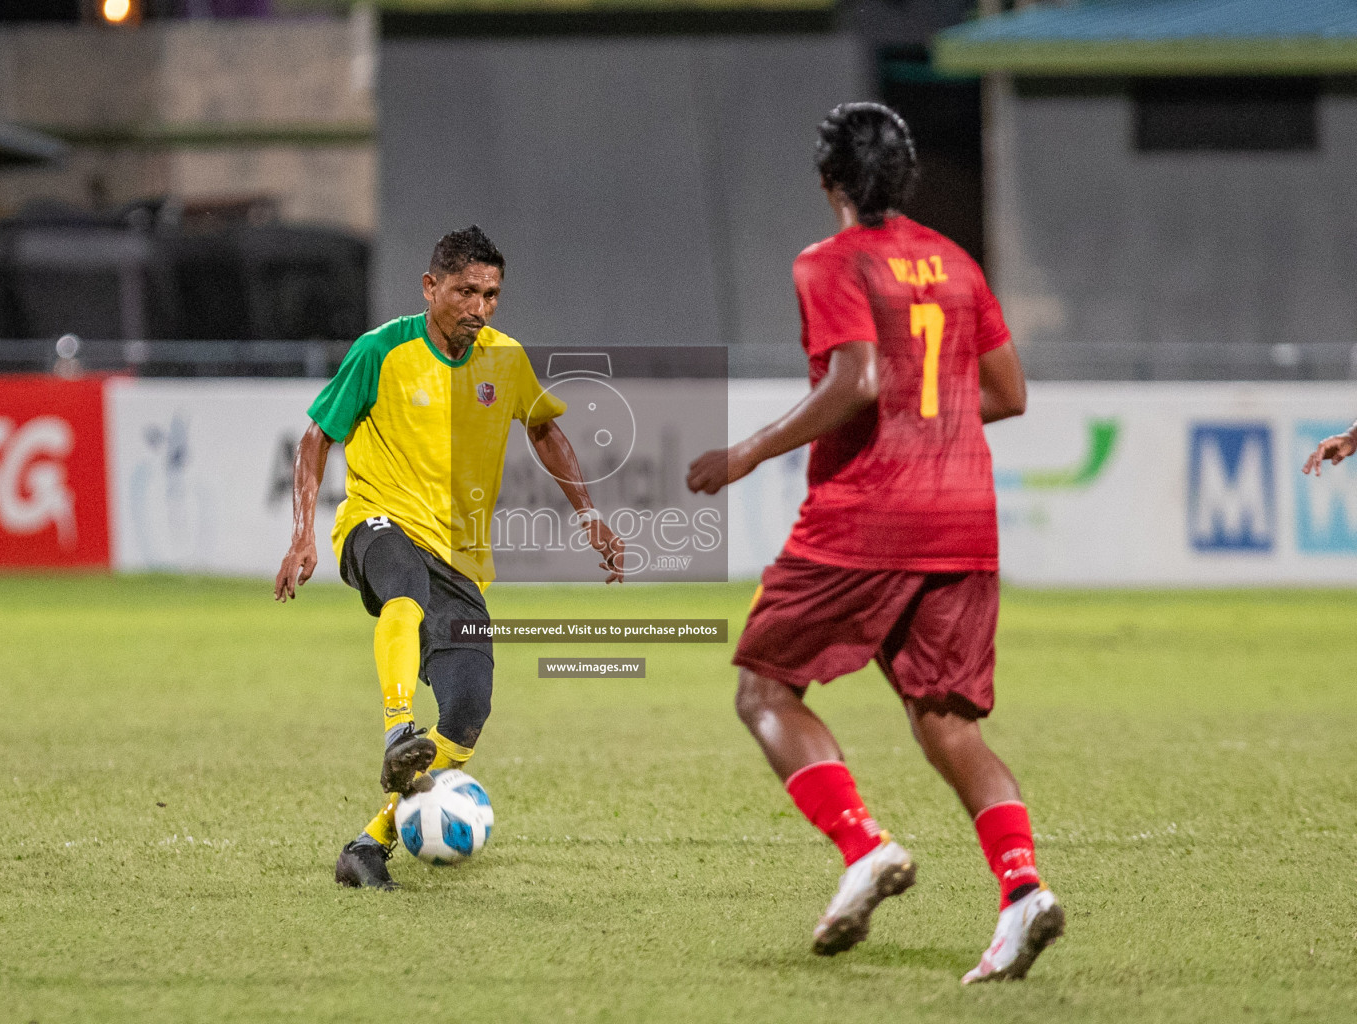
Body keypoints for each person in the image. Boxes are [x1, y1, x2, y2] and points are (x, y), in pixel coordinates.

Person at [687, 103, 1063, 983]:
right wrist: (930, 409)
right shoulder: (957, 262)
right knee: (946, 723)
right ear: (906, 179)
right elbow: (1007, 393)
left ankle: (864, 849)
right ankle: (1023, 893)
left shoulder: (830, 261)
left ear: (828, 183)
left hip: (869, 514)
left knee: (764, 689)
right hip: (963, 515)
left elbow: (855, 379)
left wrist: (747, 450)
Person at [276, 225, 624, 890]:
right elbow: (317, 437)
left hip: (460, 559)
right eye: (467, 291)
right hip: (377, 525)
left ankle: (367, 846)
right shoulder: (383, 350)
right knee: (402, 588)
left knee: (467, 715)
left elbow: (546, 432)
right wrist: (301, 534)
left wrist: (590, 515)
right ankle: (396, 730)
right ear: (431, 287)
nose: (481, 306)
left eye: (491, 294)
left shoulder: (506, 359)